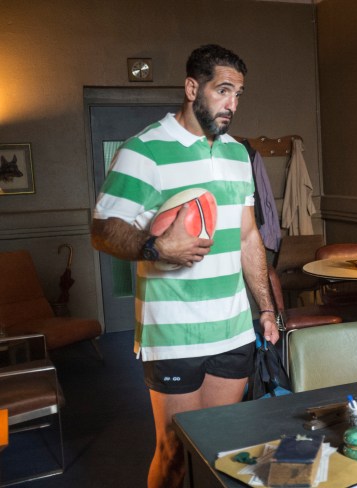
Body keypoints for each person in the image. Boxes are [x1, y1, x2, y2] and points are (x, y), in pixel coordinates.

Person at [90, 44, 279, 488]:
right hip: (173, 334)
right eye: (223, 90)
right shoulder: (144, 150)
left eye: (238, 94)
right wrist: (157, 248)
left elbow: (248, 236)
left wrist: (266, 308)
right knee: (175, 453)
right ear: (193, 88)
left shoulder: (238, 155)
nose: (232, 104)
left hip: (232, 329)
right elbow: (102, 230)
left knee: (221, 450)